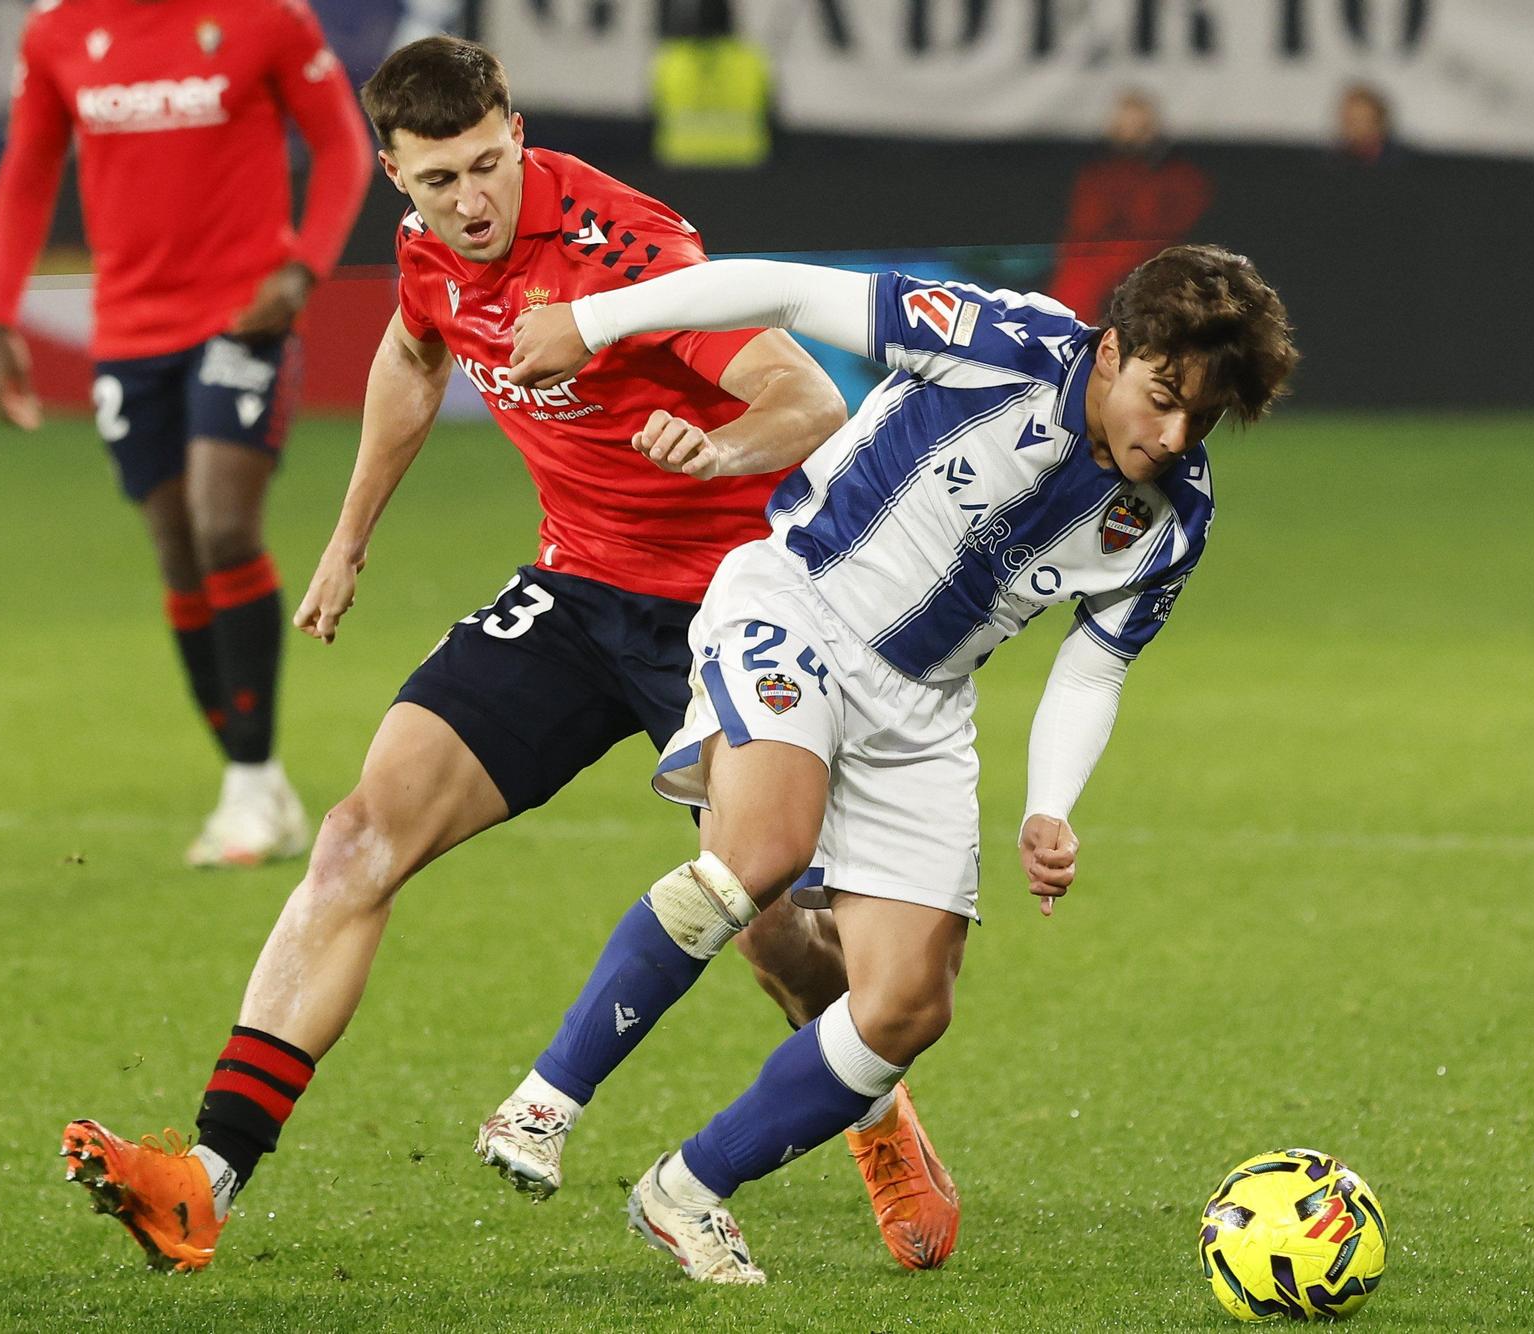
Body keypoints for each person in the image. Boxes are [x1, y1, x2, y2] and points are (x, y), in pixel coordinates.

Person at [55, 36, 961, 1275]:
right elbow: (412, 353)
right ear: (394, 176)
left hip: (734, 607)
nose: (470, 202)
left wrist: (719, 449)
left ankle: (868, 1107)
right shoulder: (431, 248)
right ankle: (202, 1179)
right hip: (577, 589)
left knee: (771, 929)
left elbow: (806, 399)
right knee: (356, 835)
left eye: (488, 166)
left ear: (519, 131)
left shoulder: (624, 250)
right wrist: (346, 539)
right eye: (438, 182)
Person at [494, 243, 1298, 1282]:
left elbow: (1093, 667)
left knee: (908, 1004)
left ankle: (684, 1190)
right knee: (763, 854)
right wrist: (595, 323)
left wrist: (1048, 804)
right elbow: (783, 289)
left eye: (1203, 417)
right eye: (1162, 397)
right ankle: (544, 1099)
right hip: (799, 607)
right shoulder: (997, 342)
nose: (1173, 435)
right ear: (1111, 351)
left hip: (920, 710)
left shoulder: (1170, 520)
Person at [0, 0, 374, 865]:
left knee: (223, 525)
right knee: (176, 548)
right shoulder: (57, 31)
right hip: (127, 331)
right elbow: (29, 168)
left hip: (244, 314)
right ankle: (254, 779)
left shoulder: (267, 17)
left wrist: (303, 270)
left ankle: (249, 779)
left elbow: (343, 145)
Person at [1048, 89, 1212, 323]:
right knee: (1077, 273)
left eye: (1139, 125)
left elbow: (1171, 221)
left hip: (1153, 254)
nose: (1131, 132)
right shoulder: (1096, 174)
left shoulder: (1179, 175)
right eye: (1124, 123)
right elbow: (1084, 223)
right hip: (1097, 256)